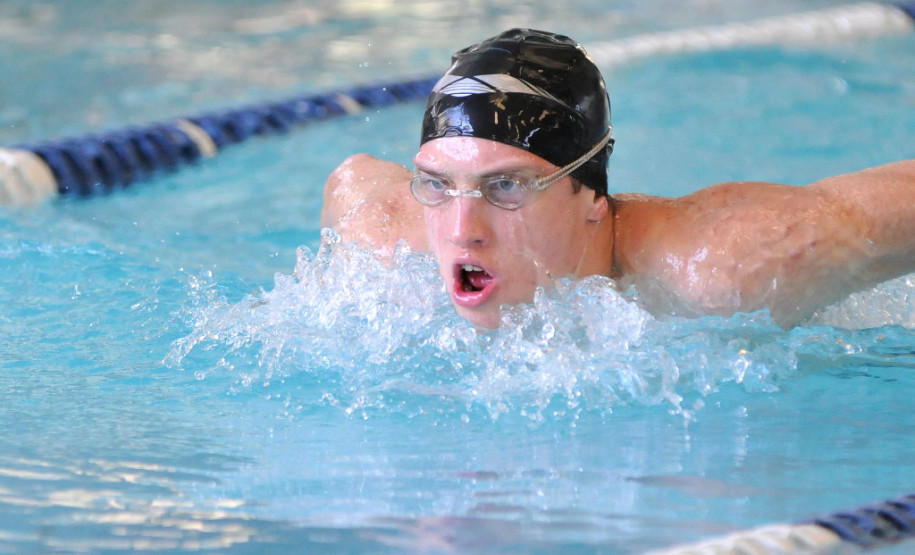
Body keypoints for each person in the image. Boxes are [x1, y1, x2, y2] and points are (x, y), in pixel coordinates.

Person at [321, 28, 915, 330]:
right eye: (438, 183)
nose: (461, 229)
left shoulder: (722, 269)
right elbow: (352, 179)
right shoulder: (379, 238)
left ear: (593, 199)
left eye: (506, 187)